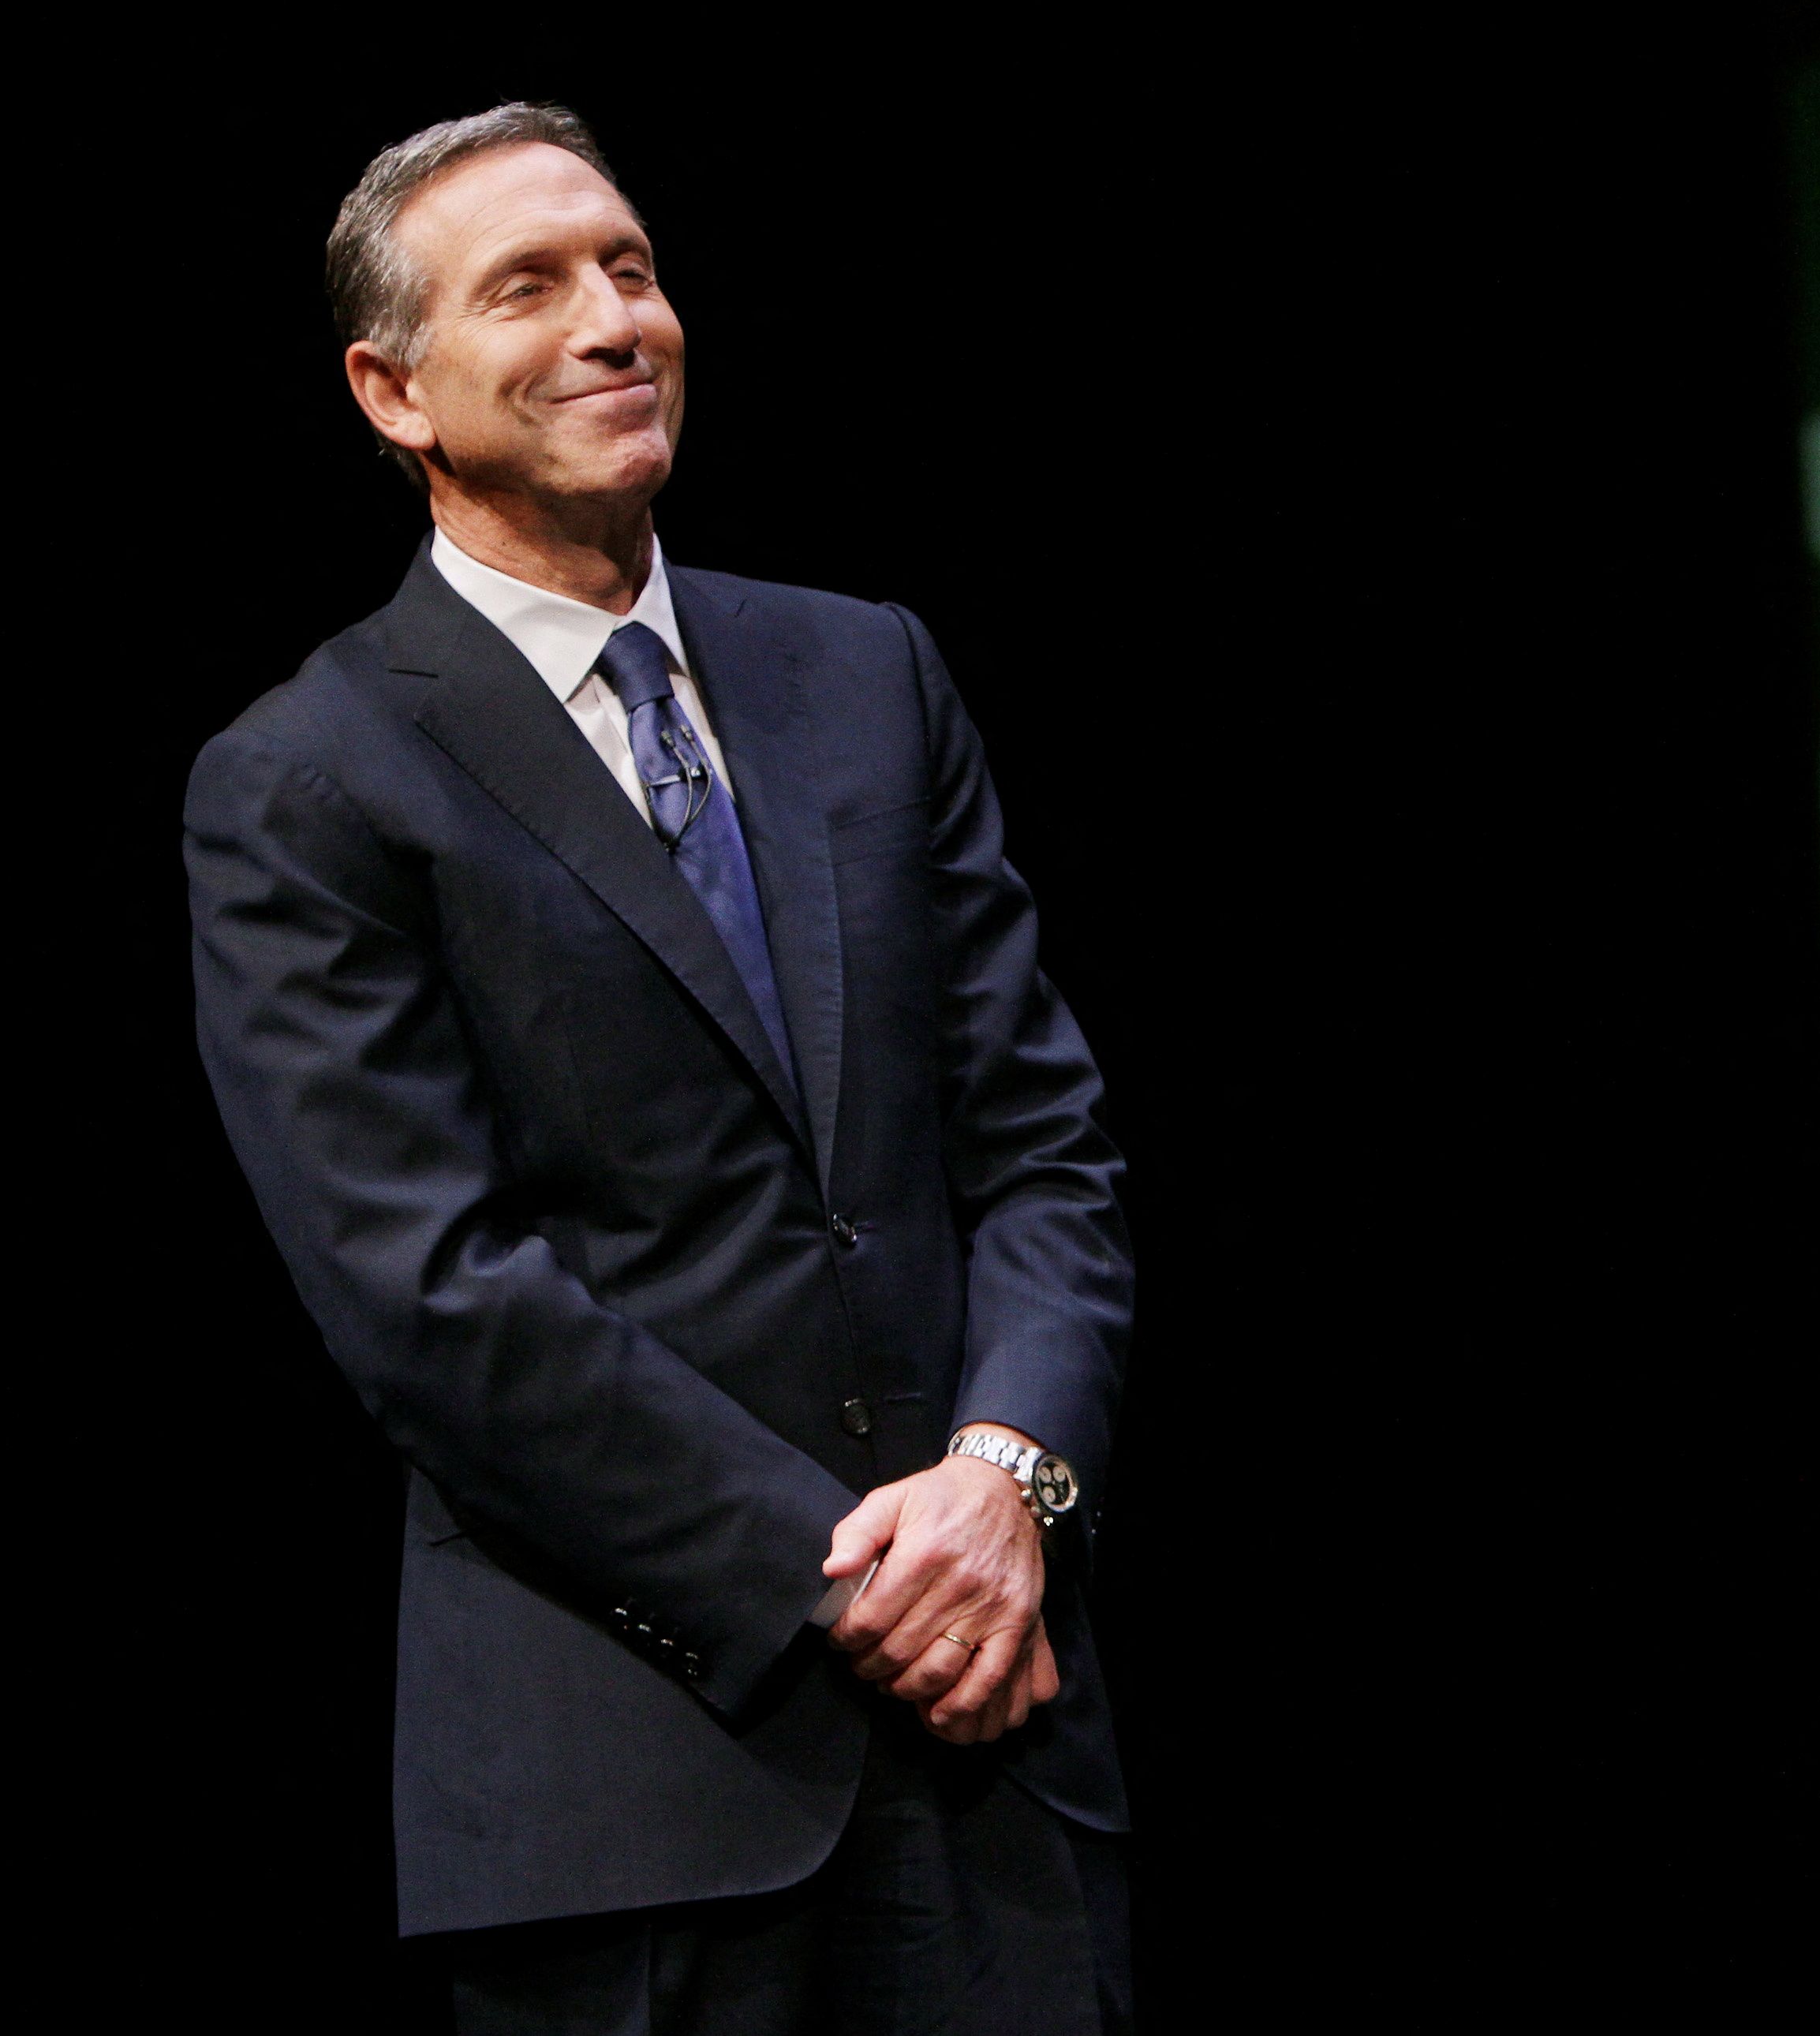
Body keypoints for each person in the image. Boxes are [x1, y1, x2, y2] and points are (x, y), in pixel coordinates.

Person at [185, 102, 1135, 2035]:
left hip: (997, 1761)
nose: (615, 320)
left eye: (628, 267)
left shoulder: (866, 670)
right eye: (527, 288)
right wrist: (846, 1576)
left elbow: (1040, 1142)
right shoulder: (308, 778)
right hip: (638, 1786)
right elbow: (427, 1297)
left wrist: (1003, 1482)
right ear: (394, 394)